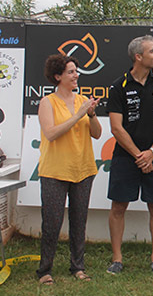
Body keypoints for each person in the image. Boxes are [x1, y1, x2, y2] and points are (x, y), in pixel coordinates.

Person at [106, 35, 153, 275]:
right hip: (126, 158)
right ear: (138, 56)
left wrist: (152, 152)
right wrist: (139, 156)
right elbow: (116, 127)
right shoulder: (118, 86)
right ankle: (117, 259)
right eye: (152, 51)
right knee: (118, 206)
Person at [37, 54, 102, 285]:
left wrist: (91, 114)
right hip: (54, 171)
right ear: (58, 76)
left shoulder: (82, 100)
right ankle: (45, 270)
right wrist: (78, 115)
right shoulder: (47, 102)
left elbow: (97, 134)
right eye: (71, 72)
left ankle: (78, 267)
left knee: (79, 221)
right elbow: (51, 133)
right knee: (52, 223)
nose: (76, 75)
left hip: (83, 170)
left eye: (76, 71)